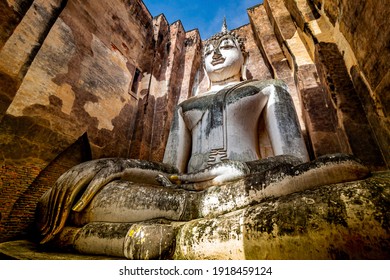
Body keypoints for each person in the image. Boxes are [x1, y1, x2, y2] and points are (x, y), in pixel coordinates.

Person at [36, 23, 312, 249]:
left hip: (247, 186)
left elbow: (297, 161)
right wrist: (119, 167)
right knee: (71, 198)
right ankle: (182, 218)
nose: (215, 54)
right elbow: (170, 171)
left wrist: (242, 169)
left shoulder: (267, 88)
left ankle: (102, 239)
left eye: (226, 47)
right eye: (209, 52)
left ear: (244, 55)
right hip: (182, 195)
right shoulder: (186, 106)